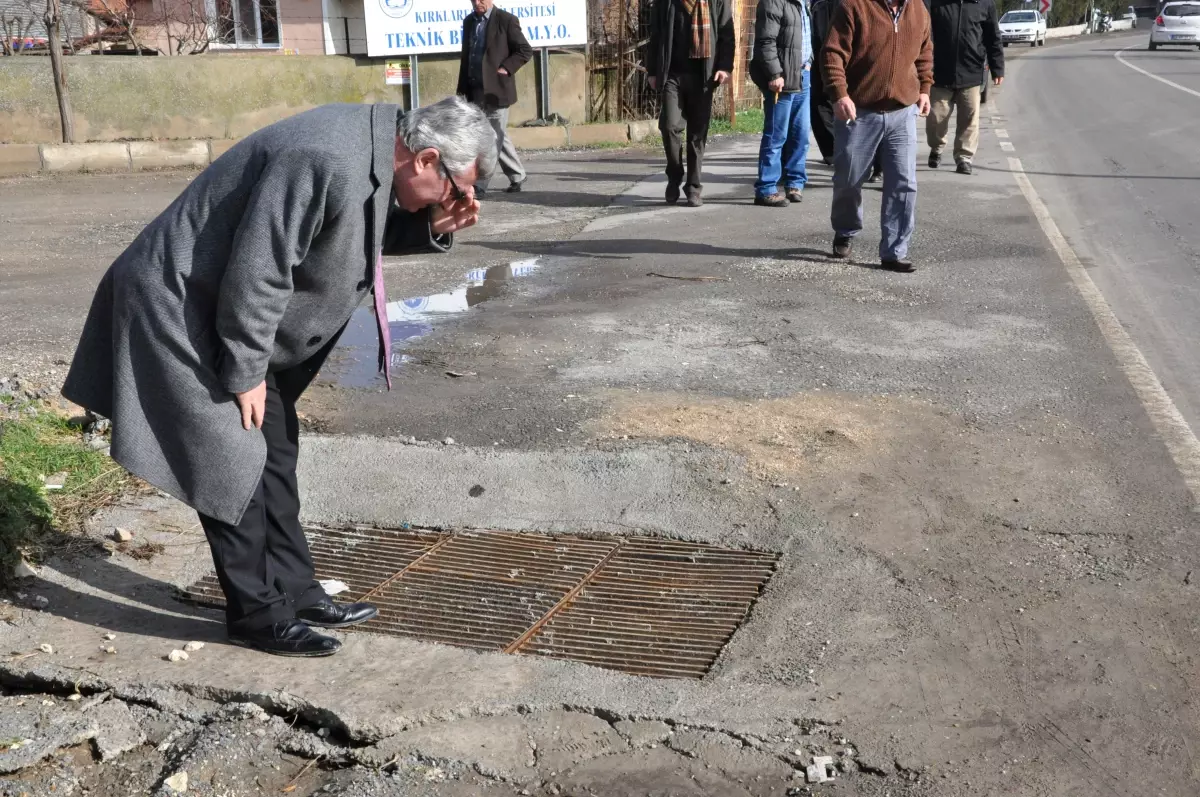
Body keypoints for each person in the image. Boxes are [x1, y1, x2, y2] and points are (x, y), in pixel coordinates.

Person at [62, 98, 497, 657]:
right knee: (231, 453)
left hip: (220, 303)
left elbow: (344, 230)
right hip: (176, 303)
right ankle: (257, 614)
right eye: (458, 190)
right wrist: (245, 369)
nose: (463, 201)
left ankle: (297, 589)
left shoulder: (372, 148)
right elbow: (260, 268)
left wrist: (432, 225)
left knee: (275, 447)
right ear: (426, 159)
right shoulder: (326, 156)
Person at [822, 0, 933, 272]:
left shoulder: (918, 9)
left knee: (904, 183)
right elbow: (832, 53)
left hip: (903, 111)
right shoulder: (854, 6)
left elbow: (925, 52)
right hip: (859, 110)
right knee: (848, 178)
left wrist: (925, 88)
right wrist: (839, 94)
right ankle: (845, 230)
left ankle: (894, 252)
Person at [647, 0, 735, 207]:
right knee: (669, 126)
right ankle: (674, 175)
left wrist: (724, 67)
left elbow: (726, 35)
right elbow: (656, 34)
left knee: (697, 134)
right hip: (672, 75)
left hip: (703, 76)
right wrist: (652, 70)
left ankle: (693, 187)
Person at [456, 0, 533, 196]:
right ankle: (518, 175)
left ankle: (480, 184)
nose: (477, 2)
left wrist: (506, 68)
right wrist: (462, 90)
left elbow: (524, 50)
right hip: (474, 90)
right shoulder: (468, 22)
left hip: (496, 90)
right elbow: (467, 56)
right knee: (497, 135)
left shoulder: (506, 20)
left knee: (490, 138)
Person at [925, 0, 1004, 175]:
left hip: (971, 71)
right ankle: (936, 148)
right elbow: (924, 32)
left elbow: (993, 37)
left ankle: (964, 158)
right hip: (940, 73)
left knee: (969, 119)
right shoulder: (935, 2)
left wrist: (997, 68)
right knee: (936, 118)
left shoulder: (985, 4)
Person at [750, 0, 814, 207]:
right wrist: (774, 73)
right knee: (776, 135)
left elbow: (807, 34)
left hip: (803, 75)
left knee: (801, 134)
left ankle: (795, 183)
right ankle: (766, 188)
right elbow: (765, 41)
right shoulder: (773, 2)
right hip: (782, 79)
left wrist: (810, 61)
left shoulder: (804, 3)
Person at [811, 0, 883, 180]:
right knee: (820, 105)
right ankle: (836, 154)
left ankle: (878, 164)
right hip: (823, 45)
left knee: (871, 111)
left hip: (859, 54)